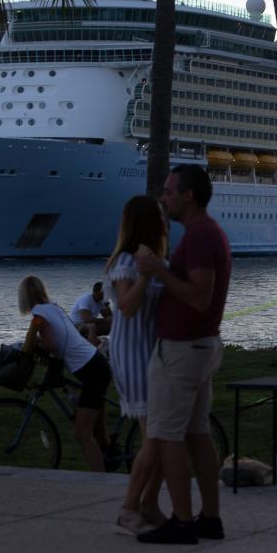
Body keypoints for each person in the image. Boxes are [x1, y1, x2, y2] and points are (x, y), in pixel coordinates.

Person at [133, 164, 231, 545]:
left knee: (167, 436)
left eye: (170, 192)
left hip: (182, 350)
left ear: (189, 195)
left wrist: (157, 269)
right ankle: (209, 518)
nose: (164, 198)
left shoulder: (202, 235)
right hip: (199, 346)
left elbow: (200, 296)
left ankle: (183, 521)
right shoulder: (203, 234)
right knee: (196, 434)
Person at [103, 195, 170, 534]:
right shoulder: (128, 263)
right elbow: (127, 306)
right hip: (134, 354)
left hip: (153, 352)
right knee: (155, 436)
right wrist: (146, 275)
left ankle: (149, 503)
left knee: (163, 435)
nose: (165, 222)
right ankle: (130, 507)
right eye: (159, 217)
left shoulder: (154, 260)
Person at [18, 275, 112, 472]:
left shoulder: (38, 314)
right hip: (96, 362)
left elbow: (51, 344)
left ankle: (103, 482)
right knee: (97, 429)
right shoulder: (54, 307)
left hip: (92, 370)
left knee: (82, 433)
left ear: (25, 297)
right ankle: (111, 457)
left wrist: (35, 344)